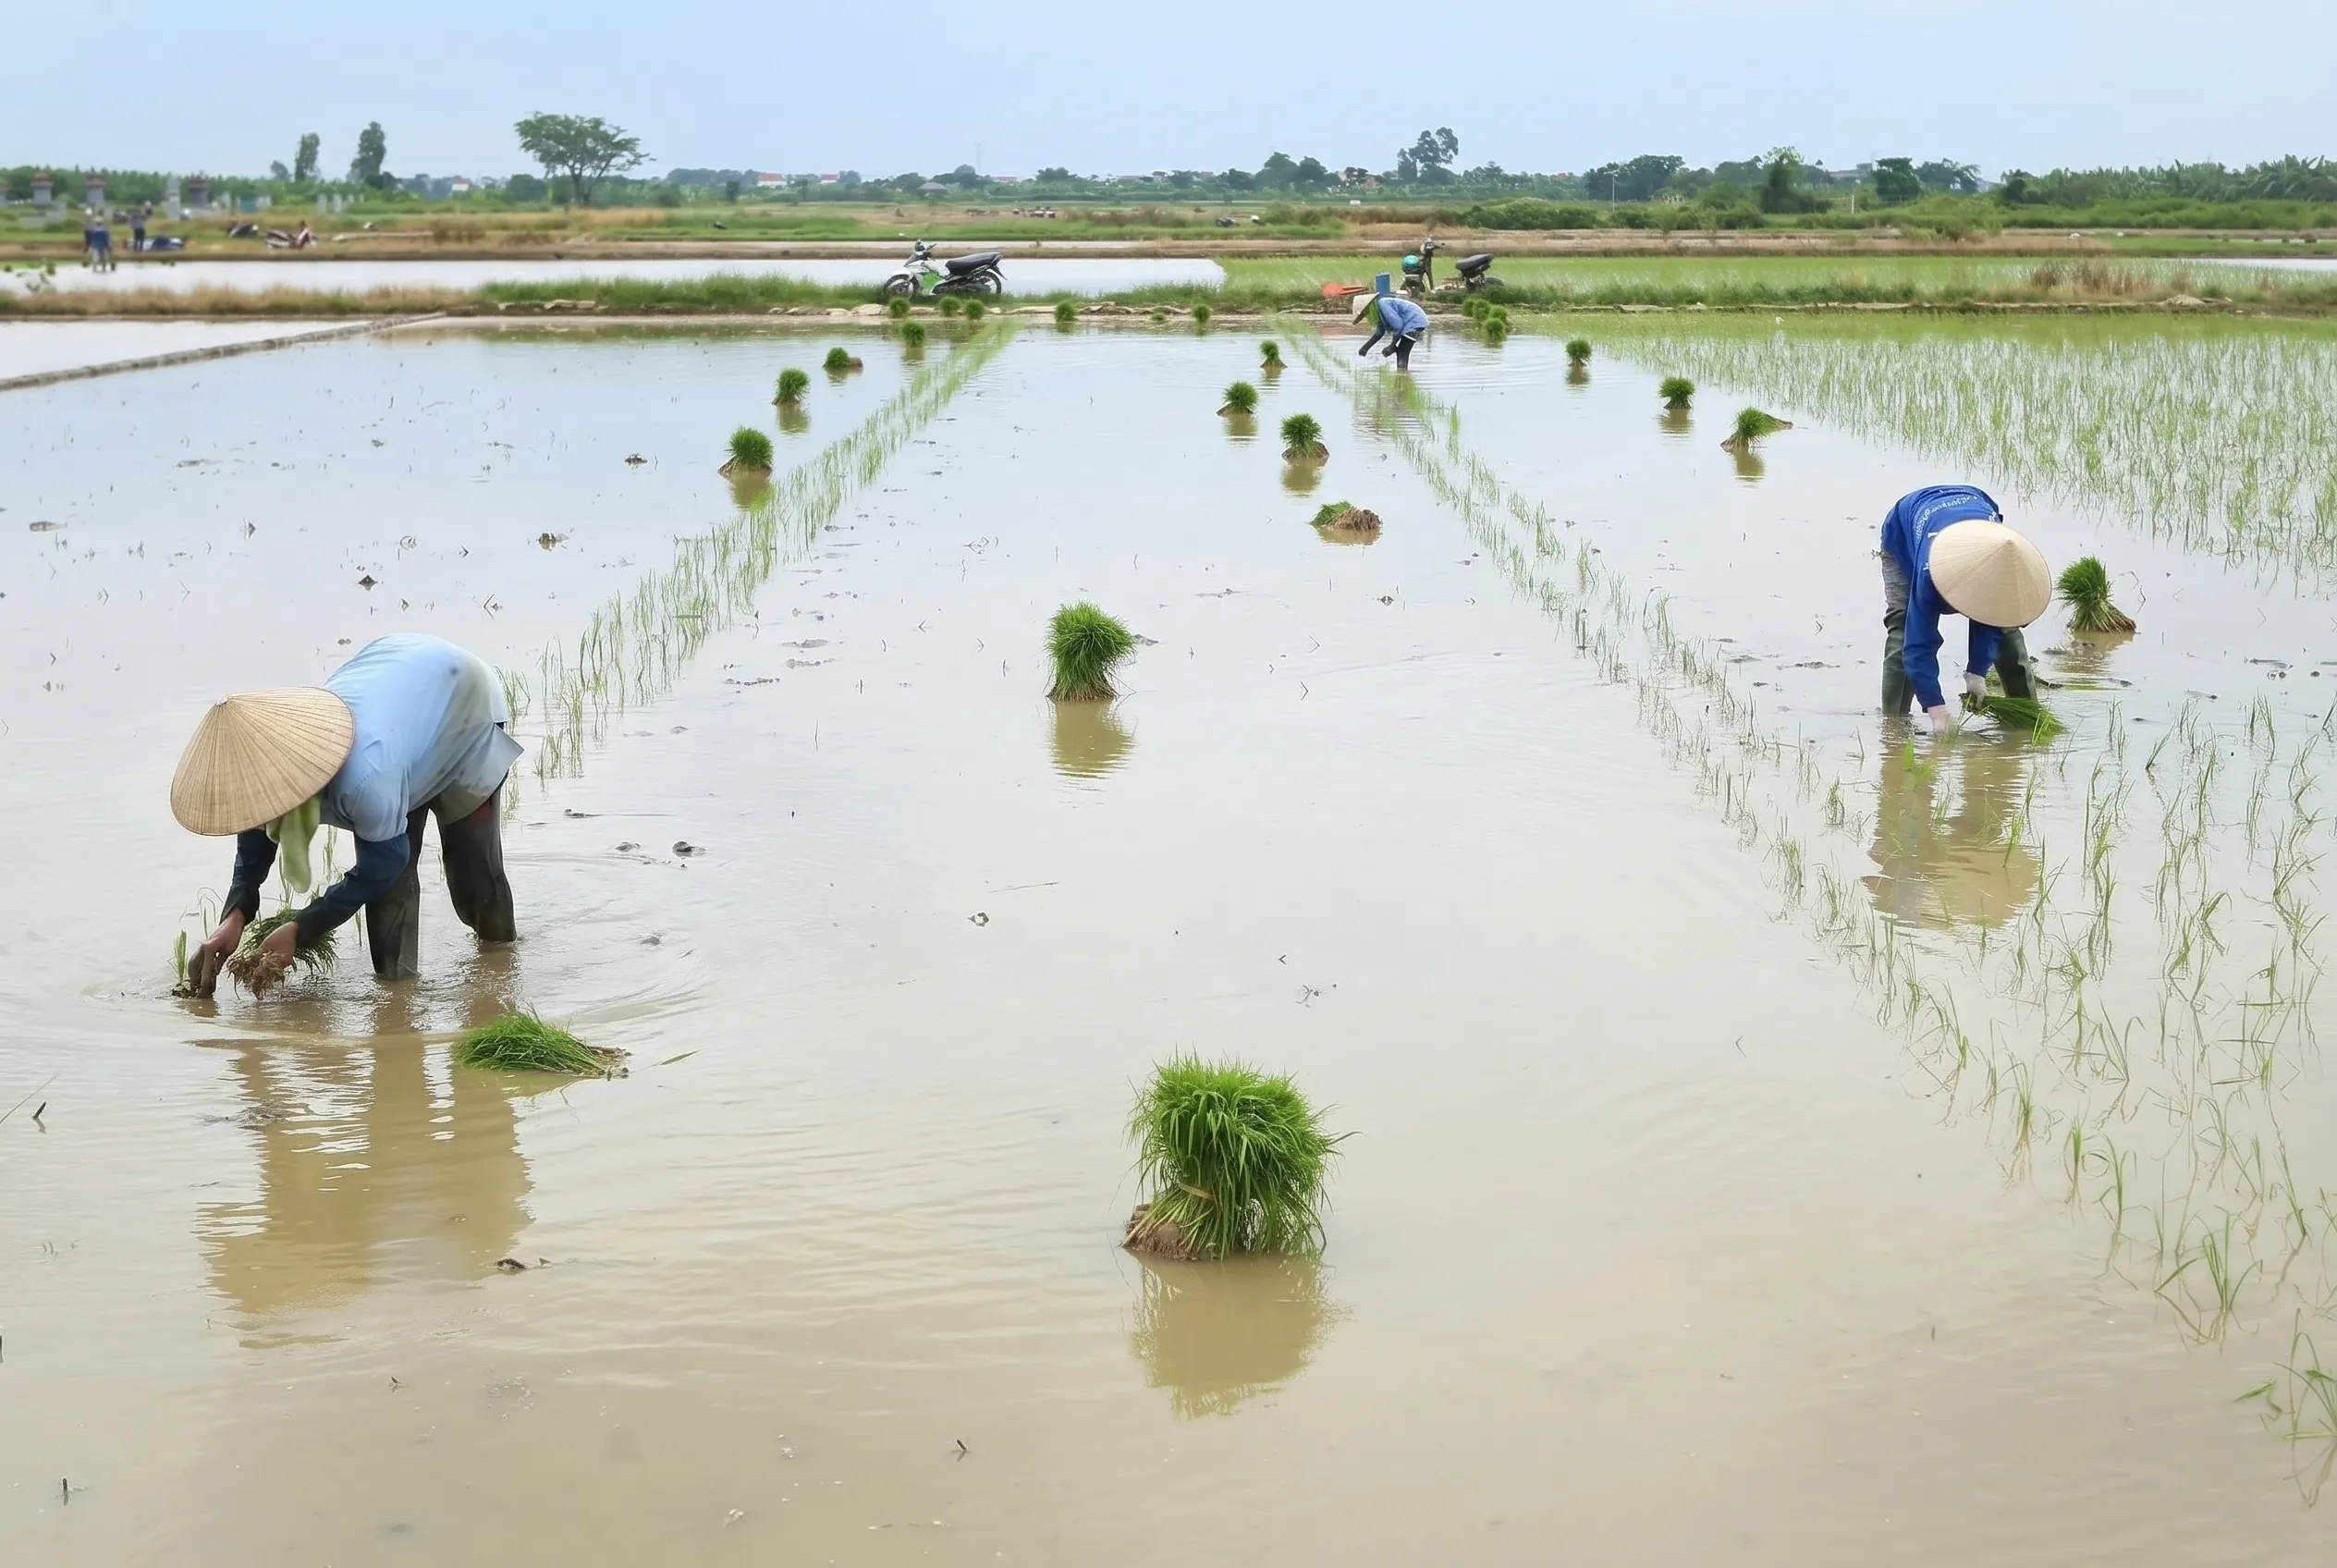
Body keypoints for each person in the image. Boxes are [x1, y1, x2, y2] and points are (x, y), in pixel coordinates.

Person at [175, 633, 523, 995]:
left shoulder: (364, 778)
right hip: (399, 712)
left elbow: (382, 864)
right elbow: (256, 833)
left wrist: (301, 928)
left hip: (464, 702)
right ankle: (397, 994)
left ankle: (502, 971)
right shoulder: (272, 772)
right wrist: (234, 916)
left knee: (474, 879)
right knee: (391, 893)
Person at [1878, 484, 2051, 735]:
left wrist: (1977, 673)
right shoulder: (1929, 576)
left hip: (1975, 510)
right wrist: (1936, 710)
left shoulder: (1999, 558)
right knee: (1903, 629)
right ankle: (1893, 726)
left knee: (2005, 625)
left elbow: (1991, 620)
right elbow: (1918, 646)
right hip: (1904, 536)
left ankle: (2028, 719)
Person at [1352, 283, 1430, 371]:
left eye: (1365, 313)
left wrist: (1392, 345)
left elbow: (1398, 326)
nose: (1367, 315)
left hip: (1415, 321)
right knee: (1401, 351)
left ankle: (1402, 376)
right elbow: (1379, 333)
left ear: (1369, 307)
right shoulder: (1379, 311)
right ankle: (1402, 375)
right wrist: (1365, 348)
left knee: (1403, 351)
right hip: (1412, 322)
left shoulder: (1383, 304)